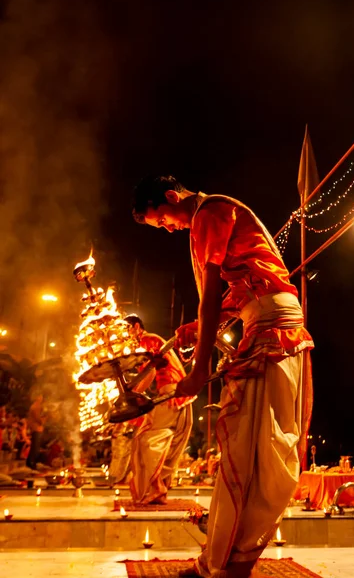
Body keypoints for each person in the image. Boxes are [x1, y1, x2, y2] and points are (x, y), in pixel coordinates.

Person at [132, 175, 314, 577]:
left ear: (171, 197)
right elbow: (240, 289)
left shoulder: (208, 214)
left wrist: (198, 370)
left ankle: (226, 563)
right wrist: (199, 331)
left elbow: (211, 295)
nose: (169, 228)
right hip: (273, 320)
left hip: (270, 325)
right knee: (257, 450)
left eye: (162, 220)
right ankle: (225, 559)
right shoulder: (220, 210)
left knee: (247, 452)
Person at [124, 314, 195, 504]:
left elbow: (149, 372)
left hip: (171, 394)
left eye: (126, 330)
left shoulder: (146, 340)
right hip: (178, 395)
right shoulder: (151, 340)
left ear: (136, 327)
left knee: (145, 439)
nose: (125, 336)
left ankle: (156, 487)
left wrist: (128, 394)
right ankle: (159, 490)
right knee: (163, 440)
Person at [26, 394, 46, 470]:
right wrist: (46, 417)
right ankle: (31, 464)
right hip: (36, 429)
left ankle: (30, 463)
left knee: (34, 447)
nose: (41, 398)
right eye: (40, 396)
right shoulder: (35, 407)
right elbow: (39, 420)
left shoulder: (38, 407)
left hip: (37, 429)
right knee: (35, 448)